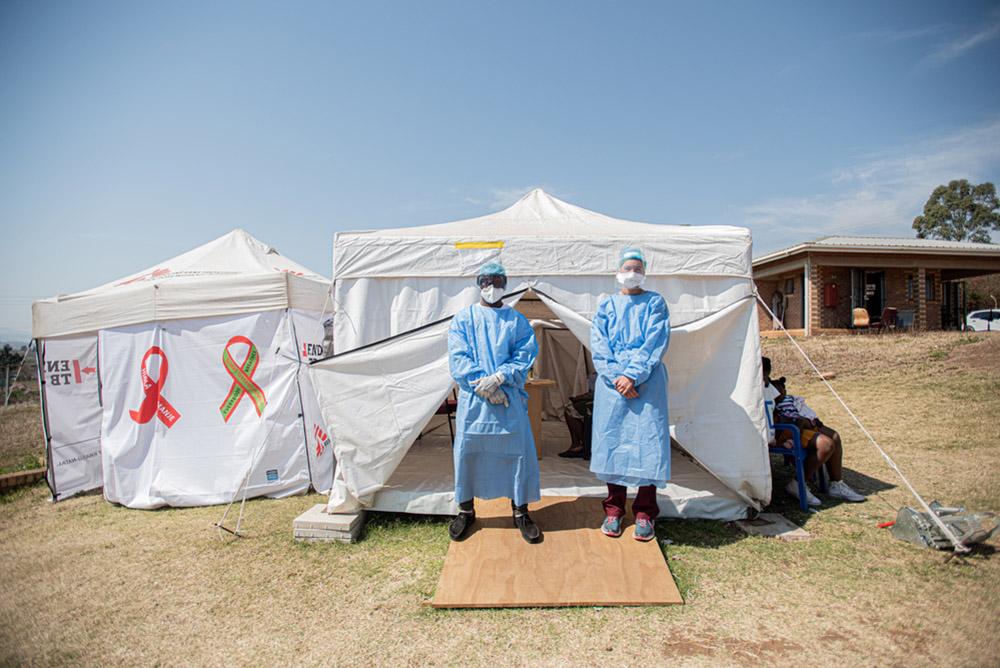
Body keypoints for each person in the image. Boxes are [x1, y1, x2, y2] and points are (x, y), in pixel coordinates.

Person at [447, 261, 543, 544]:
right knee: (467, 454)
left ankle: (520, 511)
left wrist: (501, 377)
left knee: (518, 454)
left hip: (507, 401)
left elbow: (525, 353)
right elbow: (459, 358)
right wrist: (483, 386)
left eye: (498, 281)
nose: (492, 287)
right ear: (479, 283)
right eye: (487, 281)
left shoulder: (517, 321)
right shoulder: (463, 319)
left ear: (506, 284)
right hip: (476, 402)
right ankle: (465, 510)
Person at [590, 247, 670, 542]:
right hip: (613, 388)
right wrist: (617, 377)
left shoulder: (655, 303)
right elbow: (599, 346)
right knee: (614, 443)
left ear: (644, 273)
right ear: (617, 273)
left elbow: (654, 342)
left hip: (646, 385)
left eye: (637, 268)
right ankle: (613, 510)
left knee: (647, 445)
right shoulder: (606, 306)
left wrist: (632, 375)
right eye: (627, 268)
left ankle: (645, 512)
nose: (632, 273)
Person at [762, 356, 866, 505]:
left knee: (834, 436)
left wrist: (806, 418)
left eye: (767, 374)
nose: (765, 378)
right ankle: (798, 484)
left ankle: (836, 484)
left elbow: (782, 402)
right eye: (762, 374)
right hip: (784, 430)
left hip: (795, 423)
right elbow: (773, 416)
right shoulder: (751, 391)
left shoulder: (770, 388)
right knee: (826, 444)